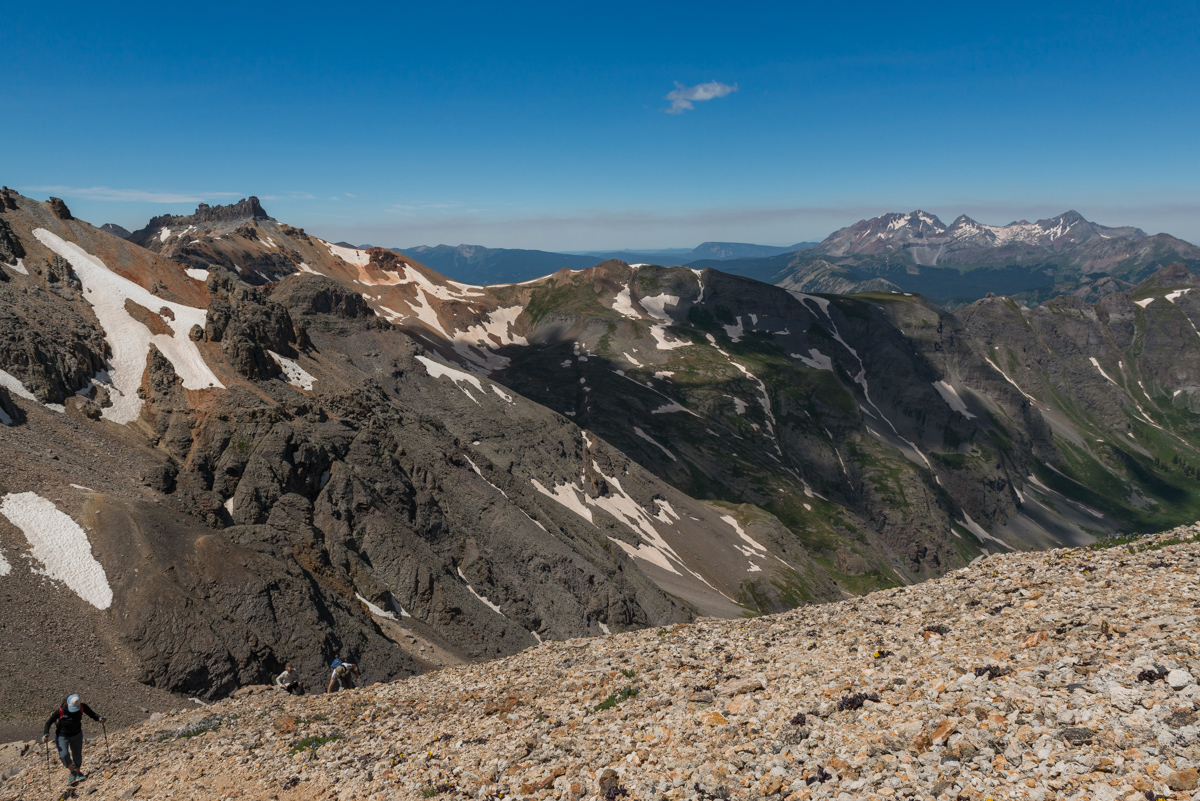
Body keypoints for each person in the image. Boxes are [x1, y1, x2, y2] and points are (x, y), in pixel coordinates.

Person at [42, 694, 105, 785]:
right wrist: (46, 734)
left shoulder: (82, 707)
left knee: (77, 755)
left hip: (76, 734)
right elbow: (48, 723)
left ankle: (78, 772)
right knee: (63, 754)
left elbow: (92, 714)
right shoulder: (61, 710)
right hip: (62, 735)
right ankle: (72, 771)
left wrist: (99, 718)